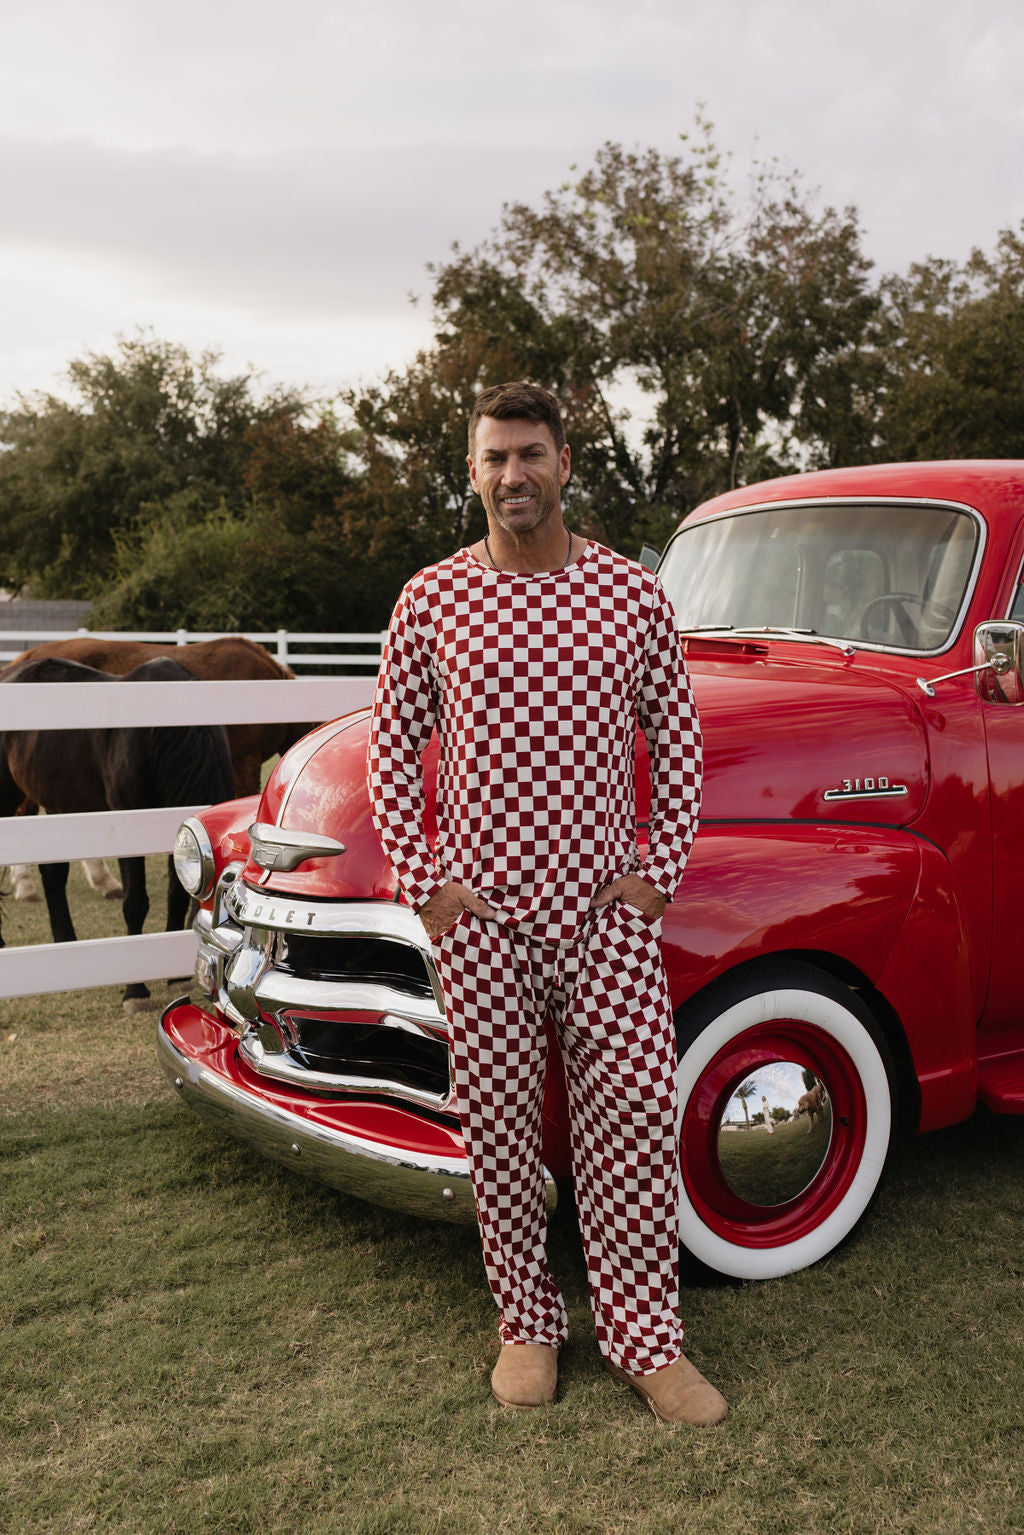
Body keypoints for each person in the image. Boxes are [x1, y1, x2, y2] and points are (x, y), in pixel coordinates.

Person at [367, 381, 725, 1426]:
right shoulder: (431, 597)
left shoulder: (629, 593)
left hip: (605, 916)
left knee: (631, 1123)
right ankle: (525, 1323)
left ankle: (646, 1338)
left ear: (566, 463)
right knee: (502, 1133)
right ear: (471, 471)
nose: (512, 475)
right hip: (481, 918)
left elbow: (680, 736)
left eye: (530, 454)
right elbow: (392, 747)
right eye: (492, 458)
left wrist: (654, 871)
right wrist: (427, 888)